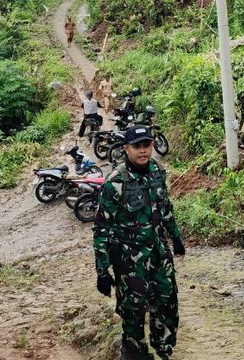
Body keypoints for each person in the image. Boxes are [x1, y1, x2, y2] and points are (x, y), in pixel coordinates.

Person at [92, 125, 185, 360]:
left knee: (166, 301)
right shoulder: (115, 182)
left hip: (159, 251)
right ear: (126, 149)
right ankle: (135, 354)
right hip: (129, 257)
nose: (143, 151)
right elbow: (101, 227)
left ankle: (163, 349)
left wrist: (175, 236)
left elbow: (165, 209)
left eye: (147, 145)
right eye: (137, 146)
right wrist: (102, 270)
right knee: (133, 310)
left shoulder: (156, 171)